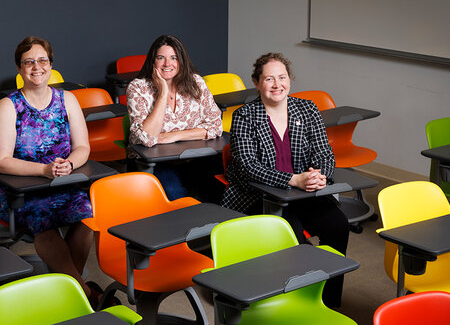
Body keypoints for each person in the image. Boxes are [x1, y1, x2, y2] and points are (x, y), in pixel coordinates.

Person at [221, 52, 348, 307]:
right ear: (257, 83)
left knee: (339, 226)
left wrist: (319, 176)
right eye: (269, 79)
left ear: (290, 79)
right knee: (295, 242)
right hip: (259, 195)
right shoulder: (245, 116)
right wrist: (294, 180)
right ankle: (297, 304)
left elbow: (324, 152)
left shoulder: (308, 109)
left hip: (304, 192)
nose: (277, 84)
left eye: (282, 77)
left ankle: (329, 302)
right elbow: (248, 168)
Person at [0, 36, 98, 305]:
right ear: (19, 68)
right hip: (16, 188)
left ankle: (67, 291)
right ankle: (85, 296)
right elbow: (1, 161)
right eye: (29, 62)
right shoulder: (8, 106)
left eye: (42, 60)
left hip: (60, 179)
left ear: (51, 64)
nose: (37, 67)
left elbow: (83, 147)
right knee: (43, 221)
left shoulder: (67, 99)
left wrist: (69, 163)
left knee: (87, 217)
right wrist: (44, 169)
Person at [126, 34, 223, 200]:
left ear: (181, 61)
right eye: (161, 58)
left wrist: (173, 136)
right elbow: (147, 138)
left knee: (218, 186)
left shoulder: (196, 82)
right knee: (173, 194)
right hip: (156, 162)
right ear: (152, 61)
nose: (167, 64)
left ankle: (212, 225)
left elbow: (215, 125)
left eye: (173, 58)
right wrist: (163, 92)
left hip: (195, 157)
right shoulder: (138, 88)